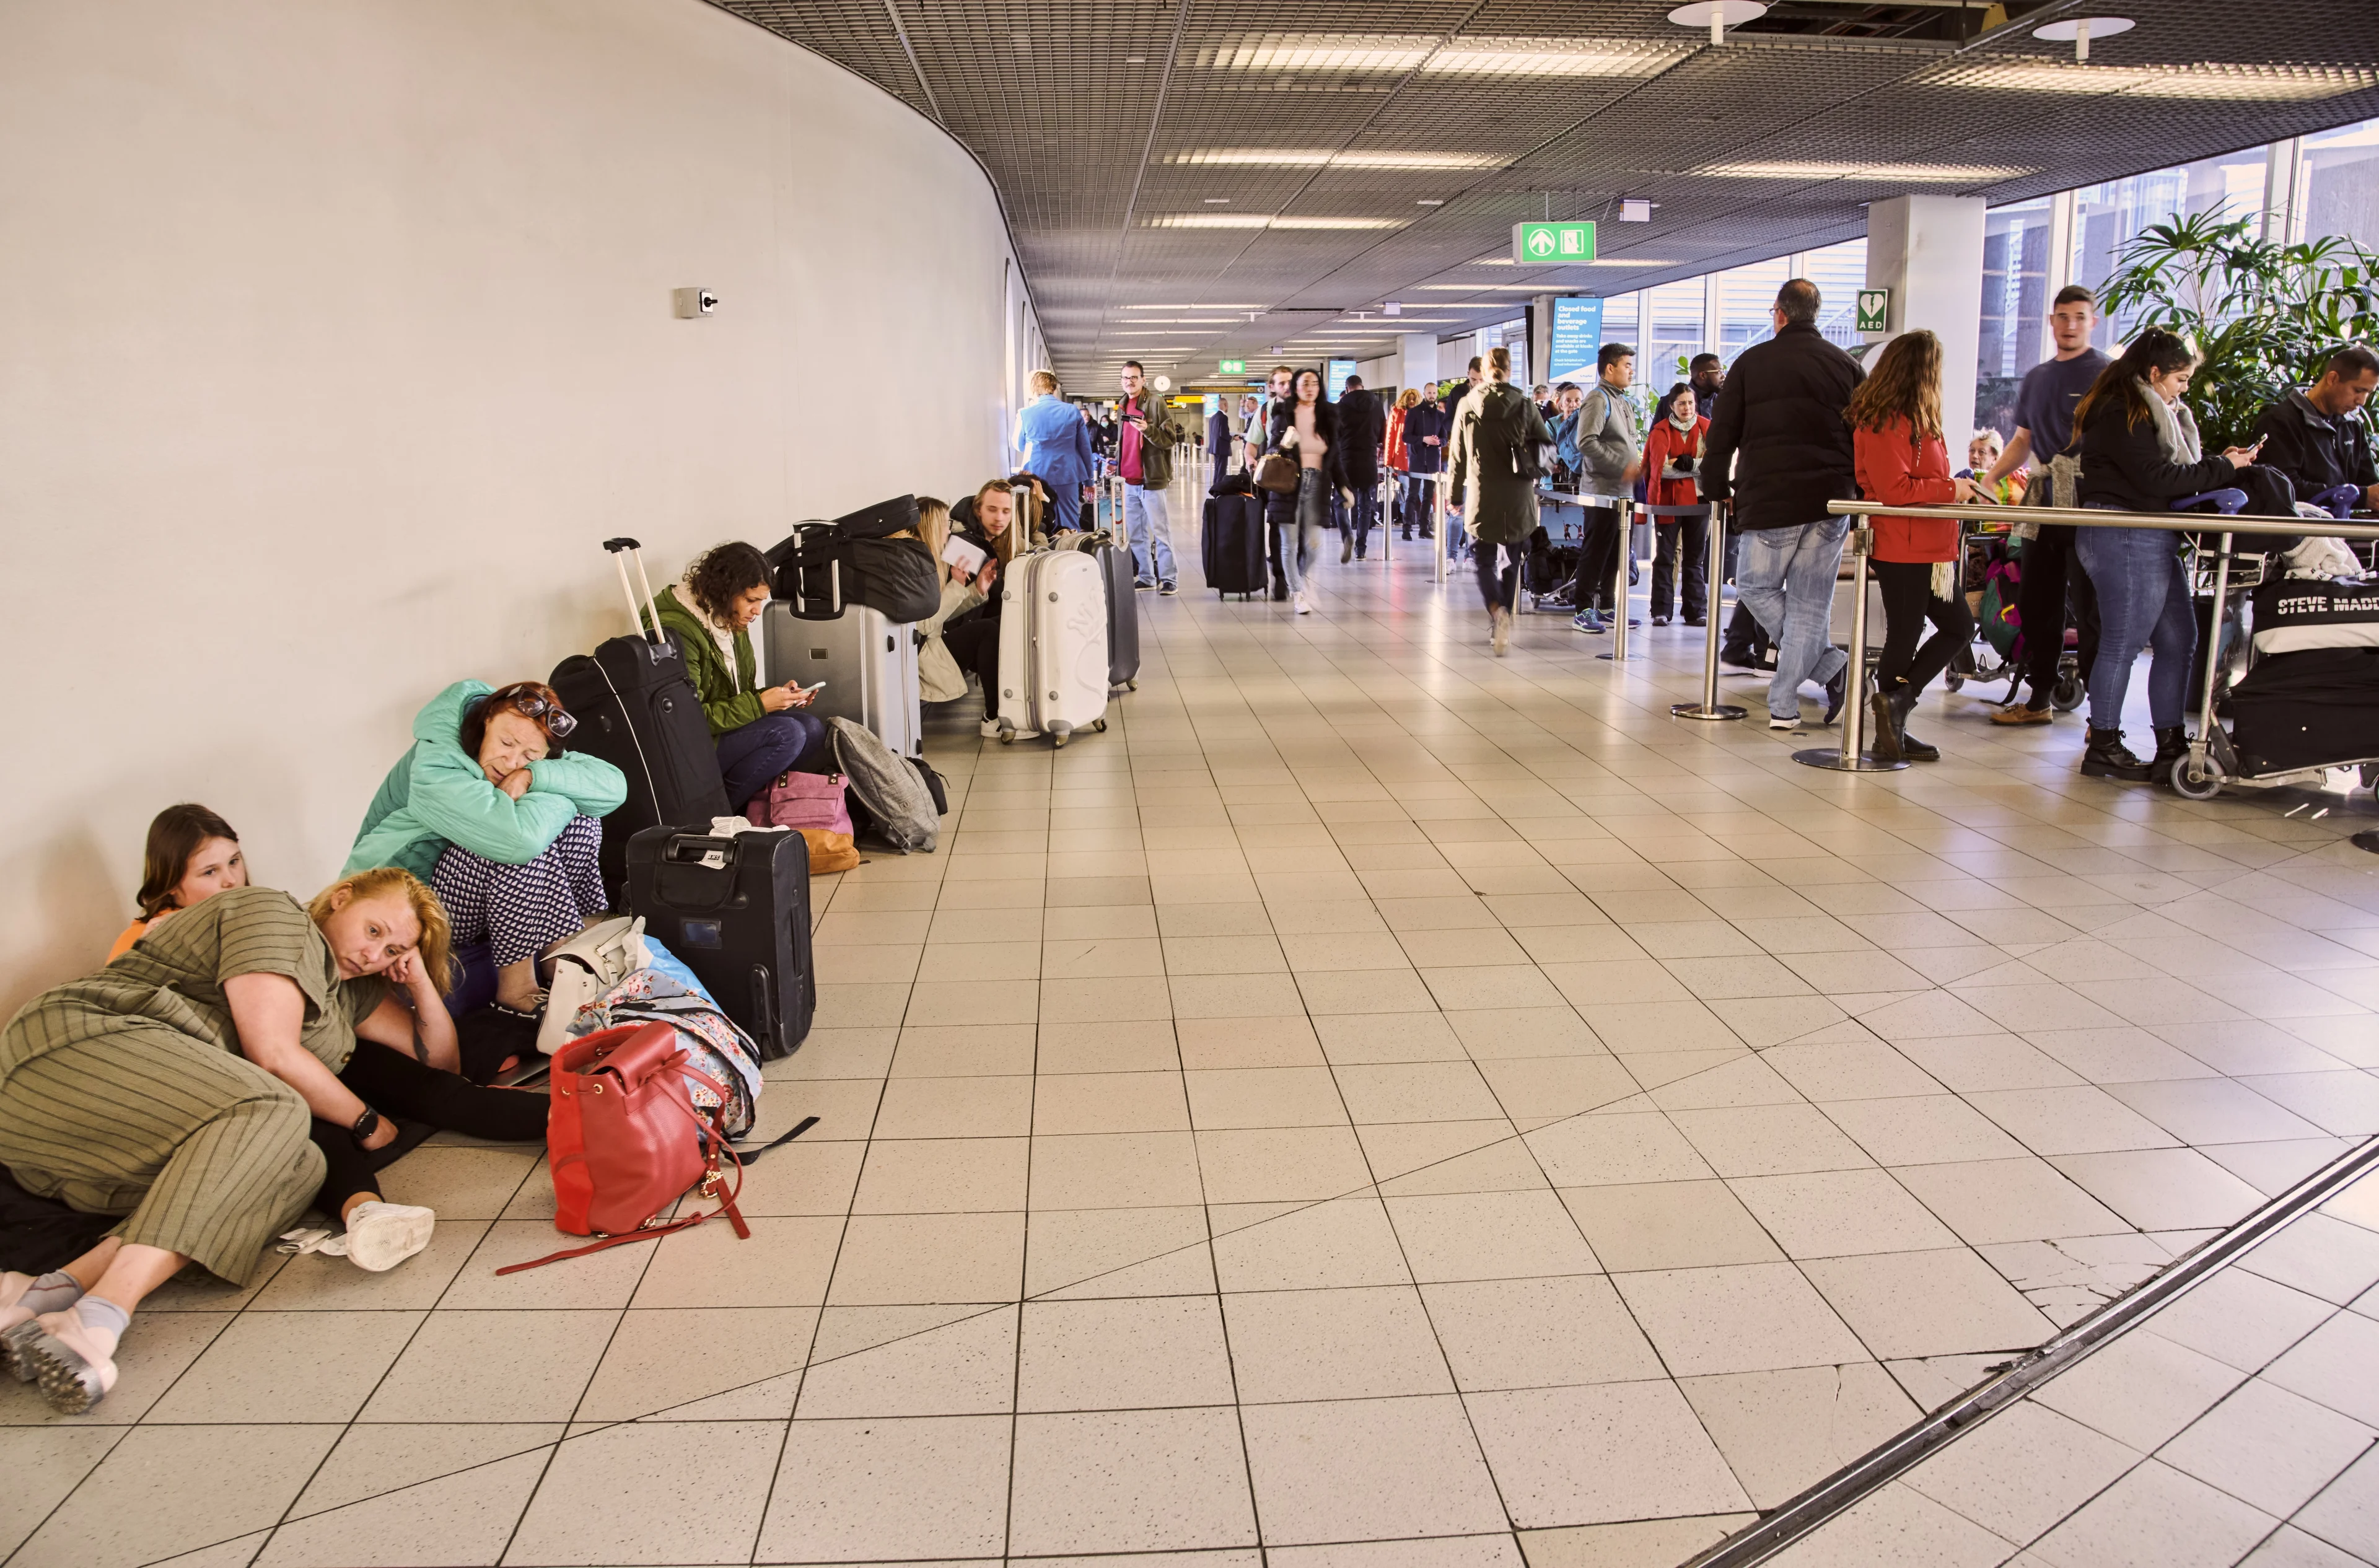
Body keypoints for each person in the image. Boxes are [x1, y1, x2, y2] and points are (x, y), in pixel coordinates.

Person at [0, 871, 494, 1412]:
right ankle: (102, 1313)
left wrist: (419, 979)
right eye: (373, 930)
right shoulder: (274, 915)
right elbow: (273, 1054)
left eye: (393, 949)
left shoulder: (351, 993)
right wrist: (366, 1121)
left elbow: (441, 1064)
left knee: (301, 1168)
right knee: (280, 1106)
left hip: (110, 1137)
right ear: (341, 898)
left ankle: (47, 1291)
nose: (374, 954)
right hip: (73, 1053)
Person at [346, 681, 624, 1015]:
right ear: (487, 719)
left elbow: (613, 789)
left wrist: (534, 776)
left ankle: (570, 947)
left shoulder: (523, 758)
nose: (511, 762)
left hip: (466, 894)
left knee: (582, 818)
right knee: (512, 843)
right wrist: (550, 786)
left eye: (529, 756)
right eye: (506, 743)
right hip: (411, 906)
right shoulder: (437, 764)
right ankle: (517, 989)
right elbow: (517, 841)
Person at [2070, 328, 2260, 781]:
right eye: (2180, 379)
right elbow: (2156, 478)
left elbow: (2167, 473)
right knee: (2124, 642)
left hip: (2151, 534)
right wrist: (2223, 467)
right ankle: (2104, 744)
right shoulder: (2122, 410)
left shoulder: (2151, 411)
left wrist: (2217, 463)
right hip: (2124, 533)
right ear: (2154, 373)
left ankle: (2171, 742)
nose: (2183, 390)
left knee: (2179, 639)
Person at [1700, 278, 1865, 731]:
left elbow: (1722, 433)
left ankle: (1807, 689)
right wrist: (1859, 495)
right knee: (1811, 605)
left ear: (1780, 314)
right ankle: (1801, 692)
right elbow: (1866, 435)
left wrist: (1715, 486)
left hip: (1770, 498)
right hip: (1832, 502)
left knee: (1754, 587)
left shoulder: (1751, 363)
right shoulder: (1847, 366)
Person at [1846, 330, 1980, 764]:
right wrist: (1952, 489)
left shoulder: (1918, 419)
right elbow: (1894, 489)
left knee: (1958, 627)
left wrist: (1954, 489)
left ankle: (1897, 709)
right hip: (1902, 545)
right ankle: (1891, 721)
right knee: (1905, 635)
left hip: (1930, 546)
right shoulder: (1885, 422)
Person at [1980, 286, 2111, 726]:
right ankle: (2038, 699)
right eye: (2063, 317)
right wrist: (1992, 478)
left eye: (2080, 317)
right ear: (2052, 322)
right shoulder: (2037, 377)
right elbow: (2023, 440)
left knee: (2090, 609)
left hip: (2088, 500)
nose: (2070, 325)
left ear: (2092, 322)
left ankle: (2102, 719)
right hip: (2042, 498)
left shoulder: (2108, 375)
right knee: (2036, 601)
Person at [652, 542, 830, 814]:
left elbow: (735, 693)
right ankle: (717, 815)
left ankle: (758, 809)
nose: (757, 611)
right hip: (694, 744)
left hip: (723, 730)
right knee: (789, 734)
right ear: (724, 591)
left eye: (761, 601)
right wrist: (760, 705)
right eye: (751, 600)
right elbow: (688, 719)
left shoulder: (728, 618)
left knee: (813, 728)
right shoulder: (677, 630)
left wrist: (778, 697)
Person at [1452, 346, 1553, 657]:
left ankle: (1496, 609)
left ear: (1483, 371)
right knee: (1511, 561)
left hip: (1482, 493)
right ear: (1509, 371)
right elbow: (1546, 446)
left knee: (1482, 560)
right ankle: (1504, 618)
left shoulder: (1467, 404)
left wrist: (1454, 495)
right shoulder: (1525, 404)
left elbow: (1457, 455)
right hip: (1518, 494)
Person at [107, 804, 247, 961]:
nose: (231, 880)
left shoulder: (258, 916)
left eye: (233, 862)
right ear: (171, 882)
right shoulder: (137, 942)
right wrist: (147, 959)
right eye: (210, 872)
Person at [1569, 343, 1644, 634]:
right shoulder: (1598, 399)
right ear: (1610, 368)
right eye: (1627, 365)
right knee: (1596, 551)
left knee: (1616, 553)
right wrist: (1621, 466)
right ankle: (1582, 609)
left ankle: (1607, 607)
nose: (1631, 371)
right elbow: (1586, 441)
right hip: (1602, 491)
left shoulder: (1621, 400)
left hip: (1623, 492)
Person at [2253, 343, 2379, 514]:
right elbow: (2282, 488)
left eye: (2368, 393)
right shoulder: (2280, 422)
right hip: (2296, 528)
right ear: (2332, 379)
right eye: (2358, 390)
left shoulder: (2352, 426)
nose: (2362, 401)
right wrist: (2359, 497)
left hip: (2340, 527)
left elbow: (2369, 483)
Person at [940, 481, 1021, 736]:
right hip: (943, 636)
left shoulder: (980, 541)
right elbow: (1000, 592)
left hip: (955, 627)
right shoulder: (965, 546)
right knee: (1000, 624)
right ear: (978, 511)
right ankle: (994, 715)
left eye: (1006, 511)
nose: (999, 518)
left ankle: (1013, 704)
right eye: (992, 510)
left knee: (1008, 619)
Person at [1268, 368, 1341, 615]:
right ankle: (1298, 594)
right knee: (1289, 545)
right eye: (1305, 383)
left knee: (1314, 546)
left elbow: (1335, 457)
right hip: (1289, 485)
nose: (1310, 388)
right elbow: (1270, 451)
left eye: (1315, 383)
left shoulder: (1328, 417)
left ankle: (1301, 577)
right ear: (1296, 388)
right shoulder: (1284, 415)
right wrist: (1284, 444)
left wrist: (1344, 487)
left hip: (1318, 486)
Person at [1642, 382, 1711, 627]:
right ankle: (1661, 610)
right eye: (1682, 403)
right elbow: (1660, 470)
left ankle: (1696, 610)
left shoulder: (1706, 428)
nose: (1687, 407)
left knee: (1695, 558)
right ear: (1672, 406)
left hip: (1699, 501)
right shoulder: (1660, 431)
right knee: (1665, 556)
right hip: (1668, 502)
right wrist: (1694, 465)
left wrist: (1687, 464)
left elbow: (1711, 464)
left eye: (1691, 402)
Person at [1116, 361, 1183, 594]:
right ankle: (1147, 577)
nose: (1130, 382)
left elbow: (1170, 440)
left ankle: (1169, 579)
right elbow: (1124, 442)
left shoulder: (1156, 402)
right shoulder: (1122, 405)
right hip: (1128, 480)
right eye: (1126, 378)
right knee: (1136, 534)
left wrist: (1147, 429)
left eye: (1134, 377)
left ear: (1143, 380)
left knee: (1160, 532)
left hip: (1151, 479)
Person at [1017, 371, 1096, 530]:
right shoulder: (1072, 411)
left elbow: (1020, 445)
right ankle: (1071, 545)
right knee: (1070, 520)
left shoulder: (1026, 413)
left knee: (1042, 520)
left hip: (1038, 474)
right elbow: (1085, 448)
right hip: (1068, 473)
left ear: (1034, 390)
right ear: (1054, 389)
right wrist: (1089, 482)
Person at [1336, 374, 1385, 561]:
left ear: (1347, 388)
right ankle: (1361, 549)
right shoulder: (1377, 406)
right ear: (1362, 386)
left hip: (1346, 461)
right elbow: (1382, 436)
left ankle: (1347, 535)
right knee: (1365, 506)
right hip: (1369, 460)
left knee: (1339, 502)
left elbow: (1335, 435)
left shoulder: (1340, 407)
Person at [1401, 383, 1447, 541]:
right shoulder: (1413, 413)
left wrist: (1438, 442)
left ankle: (1424, 529)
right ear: (1424, 393)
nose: (1432, 395)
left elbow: (1445, 438)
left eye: (1434, 393)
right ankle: (1406, 529)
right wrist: (1423, 439)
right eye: (1429, 393)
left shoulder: (1440, 415)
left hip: (1433, 461)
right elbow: (1406, 436)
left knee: (1428, 496)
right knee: (1413, 494)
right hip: (1417, 459)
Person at [1689, 354, 1725, 418]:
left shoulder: (1724, 399)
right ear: (1703, 375)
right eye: (1719, 372)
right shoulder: (1677, 400)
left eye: (1723, 371)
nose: (1724, 376)